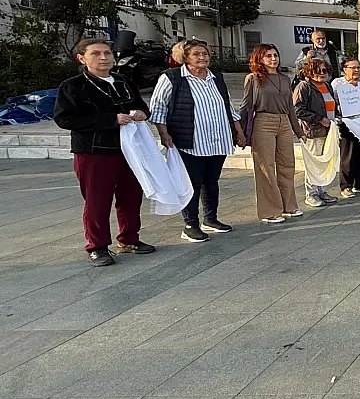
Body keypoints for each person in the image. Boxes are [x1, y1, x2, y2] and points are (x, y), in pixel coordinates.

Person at [54, 38, 156, 266]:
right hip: (95, 151)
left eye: (107, 53)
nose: (103, 58)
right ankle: (97, 246)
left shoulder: (122, 81)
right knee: (97, 200)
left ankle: (129, 239)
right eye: (96, 53)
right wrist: (111, 120)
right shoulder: (73, 86)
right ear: (81, 58)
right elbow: (65, 118)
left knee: (131, 197)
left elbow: (141, 105)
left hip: (130, 149)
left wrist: (141, 113)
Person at [149, 39, 245, 242]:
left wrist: (238, 131)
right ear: (185, 57)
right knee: (191, 183)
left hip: (218, 139)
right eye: (196, 54)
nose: (202, 57)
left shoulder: (216, 77)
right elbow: (158, 108)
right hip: (189, 141)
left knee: (211, 181)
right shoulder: (172, 77)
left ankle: (210, 219)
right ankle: (190, 224)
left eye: (205, 54)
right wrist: (164, 134)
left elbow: (227, 106)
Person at [242, 44, 304, 223]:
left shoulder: (285, 79)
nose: (273, 59)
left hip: (283, 121)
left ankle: (288, 206)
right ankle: (270, 211)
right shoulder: (253, 78)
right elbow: (246, 106)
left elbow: (290, 107)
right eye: (268, 56)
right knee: (266, 167)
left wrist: (298, 131)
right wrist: (240, 132)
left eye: (275, 55)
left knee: (287, 164)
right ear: (259, 58)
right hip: (263, 121)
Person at [294, 58, 339, 207]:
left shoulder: (327, 86)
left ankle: (322, 191)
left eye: (324, 70)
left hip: (329, 131)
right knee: (314, 164)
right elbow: (297, 110)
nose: (321, 73)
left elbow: (332, 106)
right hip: (313, 131)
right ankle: (311, 194)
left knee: (324, 163)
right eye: (317, 70)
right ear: (309, 71)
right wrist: (319, 119)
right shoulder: (304, 87)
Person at [331, 58, 360, 198]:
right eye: (353, 68)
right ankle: (346, 186)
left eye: (358, 67)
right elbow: (334, 102)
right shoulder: (337, 83)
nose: (356, 70)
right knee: (347, 157)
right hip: (347, 124)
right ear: (345, 69)